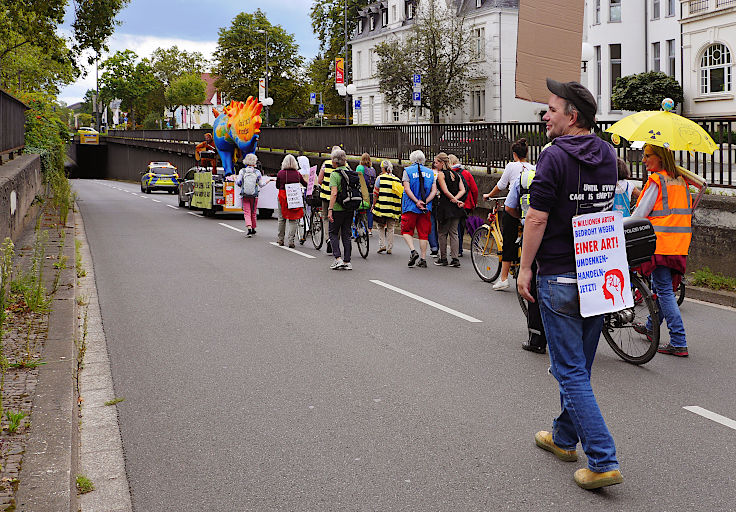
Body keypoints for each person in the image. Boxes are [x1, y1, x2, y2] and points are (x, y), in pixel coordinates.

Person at [517, 78, 622, 490]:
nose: (545, 114)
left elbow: (537, 217)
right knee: (579, 366)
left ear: (572, 116)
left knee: (570, 371)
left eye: (552, 109)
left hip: (560, 274)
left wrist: (525, 268)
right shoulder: (608, 155)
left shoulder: (554, 156)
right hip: (597, 272)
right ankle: (563, 439)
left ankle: (602, 459)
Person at [631, 144, 692, 357]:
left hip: (660, 242)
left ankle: (678, 340)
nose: (644, 160)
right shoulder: (680, 181)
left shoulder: (657, 181)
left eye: (647, 156)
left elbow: (640, 214)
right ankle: (651, 327)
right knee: (661, 288)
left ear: (659, 158)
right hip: (679, 243)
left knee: (664, 291)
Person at [504, 166, 547, 354]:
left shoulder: (523, 179)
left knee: (534, 287)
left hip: (534, 234)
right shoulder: (567, 174)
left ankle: (537, 338)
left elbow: (509, 207)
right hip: (566, 235)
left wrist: (524, 217)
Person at [484, 138, 534, 290]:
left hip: (515, 205)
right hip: (529, 206)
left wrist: (488, 195)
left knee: (508, 240)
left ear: (514, 154)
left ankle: (504, 278)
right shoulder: (533, 167)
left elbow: (501, 185)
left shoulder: (512, 166)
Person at [328, 149, 364, 270]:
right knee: (346, 234)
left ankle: (338, 258)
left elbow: (333, 193)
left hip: (338, 208)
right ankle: (347, 261)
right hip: (350, 207)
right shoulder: (350, 172)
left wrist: (330, 209)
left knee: (333, 232)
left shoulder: (334, 174)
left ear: (335, 161)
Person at [401, 150, 437, 268]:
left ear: (412, 159)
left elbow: (407, 189)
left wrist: (417, 202)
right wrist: (425, 202)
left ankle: (413, 251)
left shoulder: (407, 171)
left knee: (406, 231)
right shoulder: (431, 173)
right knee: (423, 234)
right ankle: (423, 258)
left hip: (410, 206)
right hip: (426, 208)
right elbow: (434, 191)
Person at [433, 153, 466, 267]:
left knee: (442, 233)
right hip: (455, 208)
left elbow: (445, 191)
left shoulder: (441, 175)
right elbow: (463, 190)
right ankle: (455, 258)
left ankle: (443, 258)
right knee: (454, 233)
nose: (435, 164)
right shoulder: (456, 174)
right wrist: (456, 199)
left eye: (436, 162)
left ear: (442, 163)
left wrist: (453, 199)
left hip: (444, 206)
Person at [449, 154, 478, 258]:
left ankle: (458, 249)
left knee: (455, 228)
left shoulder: (449, 174)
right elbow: (474, 189)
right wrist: (474, 202)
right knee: (464, 225)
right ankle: (476, 244)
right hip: (467, 204)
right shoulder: (466, 173)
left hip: (455, 203)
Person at [236, 153, 272, 237]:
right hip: (254, 196)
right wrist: (268, 181)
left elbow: (238, 183)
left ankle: (248, 228)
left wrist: (235, 179)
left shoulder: (242, 171)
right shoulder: (257, 172)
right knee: (253, 212)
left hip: (244, 195)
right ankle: (253, 228)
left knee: (247, 212)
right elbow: (261, 184)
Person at [276, 154, 308, 248]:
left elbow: (277, 186)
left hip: (282, 195)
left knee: (282, 218)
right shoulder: (297, 174)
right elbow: (304, 183)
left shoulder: (281, 173)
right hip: (294, 195)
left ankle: (280, 239)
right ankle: (291, 240)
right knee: (293, 218)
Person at [372, 160, 402, 254]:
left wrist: (373, 205)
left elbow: (375, 193)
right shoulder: (397, 180)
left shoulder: (380, 178)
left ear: (383, 168)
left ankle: (382, 245)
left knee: (380, 225)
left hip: (382, 207)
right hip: (393, 208)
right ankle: (390, 247)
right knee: (391, 227)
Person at [318, 146, 342, 255]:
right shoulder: (344, 165)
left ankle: (328, 238)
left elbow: (319, 180)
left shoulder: (325, 164)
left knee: (326, 217)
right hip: (338, 197)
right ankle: (335, 240)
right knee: (337, 218)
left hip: (325, 195)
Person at [356, 153, 377, 235]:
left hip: (362, 192)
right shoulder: (373, 169)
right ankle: (370, 230)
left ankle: (357, 227)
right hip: (371, 192)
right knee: (370, 210)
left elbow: (357, 179)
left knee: (358, 208)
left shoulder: (360, 168)